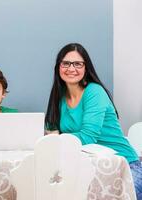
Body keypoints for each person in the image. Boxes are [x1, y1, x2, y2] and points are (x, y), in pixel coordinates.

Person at [45, 43, 142, 199]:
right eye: (66, 63)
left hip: (124, 166)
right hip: (90, 166)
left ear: (86, 67)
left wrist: (54, 139)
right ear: (58, 67)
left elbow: (88, 136)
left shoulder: (94, 91)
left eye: (77, 64)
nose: (71, 68)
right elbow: (50, 130)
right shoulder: (59, 97)